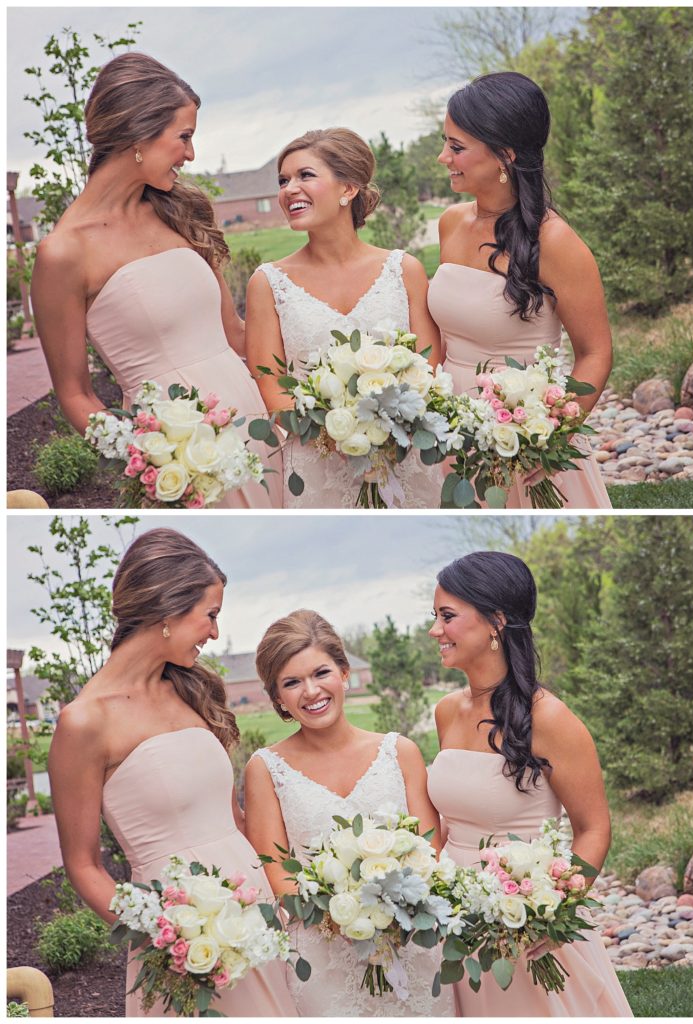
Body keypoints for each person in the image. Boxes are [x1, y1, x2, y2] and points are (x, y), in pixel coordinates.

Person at [47, 529, 296, 1016]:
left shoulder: (190, 691)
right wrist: (166, 939)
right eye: (211, 615)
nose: (214, 633)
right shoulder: (84, 723)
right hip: (183, 946)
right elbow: (84, 866)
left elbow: (235, 820)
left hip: (256, 919)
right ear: (168, 609)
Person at [30, 53, 280, 508]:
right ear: (138, 134)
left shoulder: (181, 212)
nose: (191, 154)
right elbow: (76, 394)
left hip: (255, 426)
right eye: (184, 136)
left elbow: (236, 335)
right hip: (183, 467)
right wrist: (150, 460)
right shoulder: (63, 253)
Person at [427, 551, 633, 1016]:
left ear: (496, 622)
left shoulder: (551, 718)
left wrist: (553, 910)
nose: (435, 631)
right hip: (453, 919)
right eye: (434, 616)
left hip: (523, 922)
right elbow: (449, 819)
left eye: (447, 616)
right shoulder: (447, 711)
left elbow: (594, 828)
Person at [244, 609, 454, 1016]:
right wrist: (341, 916)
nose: (311, 691)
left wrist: (390, 912)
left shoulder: (400, 752)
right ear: (277, 698)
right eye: (291, 682)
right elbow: (275, 869)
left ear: (344, 673)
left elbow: (431, 851)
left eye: (321, 673)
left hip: (411, 945)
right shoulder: (265, 768)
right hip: (323, 958)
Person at [429, 72, 612, 509]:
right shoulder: (451, 223)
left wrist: (552, 438)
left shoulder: (556, 241)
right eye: (445, 143)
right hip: (449, 433)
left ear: (505, 155)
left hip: (523, 441)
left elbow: (595, 352)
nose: (443, 157)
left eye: (456, 147)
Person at [245, 128, 443, 508]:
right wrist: (341, 435)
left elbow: (428, 367)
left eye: (305, 175)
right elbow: (272, 388)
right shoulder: (268, 283)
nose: (289, 190)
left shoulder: (404, 270)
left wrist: (385, 430)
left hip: (404, 456)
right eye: (283, 181)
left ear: (348, 188)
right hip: (317, 466)